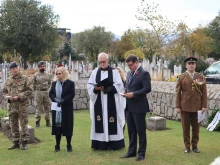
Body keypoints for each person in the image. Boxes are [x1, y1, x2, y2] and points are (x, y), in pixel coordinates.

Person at [87, 52, 126, 150]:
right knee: (99, 120)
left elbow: (119, 85)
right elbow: (90, 85)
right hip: (99, 100)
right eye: (100, 62)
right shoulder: (95, 72)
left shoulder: (114, 71)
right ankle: (100, 144)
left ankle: (114, 144)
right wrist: (96, 89)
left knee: (112, 120)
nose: (102, 64)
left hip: (111, 100)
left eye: (104, 61)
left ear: (107, 60)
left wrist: (109, 89)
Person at [121, 55, 151, 161]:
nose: (129, 67)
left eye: (130, 65)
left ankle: (141, 153)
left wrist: (134, 94)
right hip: (129, 106)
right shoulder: (129, 73)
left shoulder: (144, 73)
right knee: (131, 130)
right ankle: (131, 151)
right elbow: (127, 86)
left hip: (139, 106)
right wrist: (125, 91)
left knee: (140, 131)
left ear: (136, 62)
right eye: (128, 65)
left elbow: (147, 88)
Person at [176, 56, 207, 153]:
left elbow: (204, 92)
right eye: (189, 64)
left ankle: (195, 146)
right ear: (186, 66)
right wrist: (177, 106)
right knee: (185, 128)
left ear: (195, 65)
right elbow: (177, 93)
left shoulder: (200, 77)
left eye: (193, 63)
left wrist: (204, 106)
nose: (191, 65)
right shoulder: (181, 77)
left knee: (196, 128)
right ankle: (187, 147)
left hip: (197, 106)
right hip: (185, 106)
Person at [3, 62, 33, 150]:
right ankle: (15, 142)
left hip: (22, 106)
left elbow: (30, 90)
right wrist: (8, 98)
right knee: (13, 124)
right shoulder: (8, 80)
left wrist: (19, 96)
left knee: (23, 123)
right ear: (10, 70)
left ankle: (24, 143)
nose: (15, 70)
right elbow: (4, 91)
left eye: (16, 68)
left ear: (18, 68)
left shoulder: (24, 79)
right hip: (12, 106)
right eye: (13, 68)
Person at [49, 66, 75, 152]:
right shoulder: (54, 83)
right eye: (56, 74)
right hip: (56, 108)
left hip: (66, 107)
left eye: (59, 73)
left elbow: (72, 94)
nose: (58, 75)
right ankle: (57, 145)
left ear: (64, 73)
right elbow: (51, 93)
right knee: (57, 127)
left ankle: (69, 144)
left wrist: (63, 101)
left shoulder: (70, 83)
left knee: (67, 126)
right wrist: (55, 99)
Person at [31, 61, 52, 128]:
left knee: (47, 107)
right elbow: (33, 84)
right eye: (41, 66)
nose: (42, 67)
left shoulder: (47, 74)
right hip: (38, 93)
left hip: (46, 92)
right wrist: (36, 91)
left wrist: (47, 89)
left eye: (43, 66)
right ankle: (37, 122)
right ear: (38, 67)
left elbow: (49, 83)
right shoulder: (35, 75)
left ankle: (48, 122)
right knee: (38, 108)